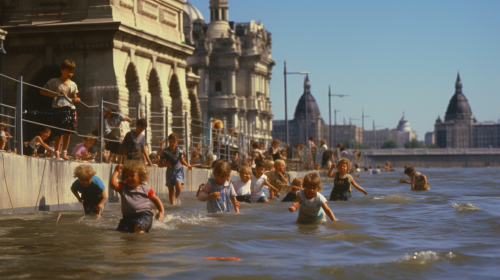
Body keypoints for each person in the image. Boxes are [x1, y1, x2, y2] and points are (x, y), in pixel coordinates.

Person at [39, 60, 81, 160]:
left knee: (68, 132)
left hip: (70, 109)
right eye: (68, 71)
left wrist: (77, 99)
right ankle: (57, 152)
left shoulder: (73, 84)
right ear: (62, 70)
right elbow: (42, 91)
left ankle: (64, 152)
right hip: (58, 109)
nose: (70, 74)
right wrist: (56, 94)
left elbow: (75, 97)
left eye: (72, 72)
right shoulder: (54, 81)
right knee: (58, 132)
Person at [109, 162, 164, 233]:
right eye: (126, 176)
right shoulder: (123, 187)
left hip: (144, 215)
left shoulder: (145, 188)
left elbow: (156, 199)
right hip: (127, 218)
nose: (129, 178)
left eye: (132, 175)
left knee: (138, 228)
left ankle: (141, 243)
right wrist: (116, 171)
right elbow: (113, 185)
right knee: (121, 234)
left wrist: (161, 211)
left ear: (141, 177)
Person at [158, 133, 192, 205]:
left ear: (177, 142)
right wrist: (165, 164)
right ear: (168, 142)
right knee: (171, 190)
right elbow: (159, 165)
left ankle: (177, 198)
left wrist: (188, 166)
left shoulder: (179, 151)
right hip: (169, 171)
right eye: (170, 142)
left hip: (178, 170)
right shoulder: (164, 151)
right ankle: (172, 205)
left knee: (178, 187)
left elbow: (182, 160)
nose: (172, 144)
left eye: (174, 142)